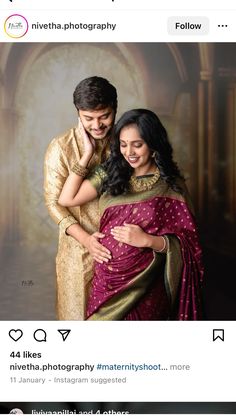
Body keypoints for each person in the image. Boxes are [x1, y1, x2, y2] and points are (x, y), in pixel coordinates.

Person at [59, 109, 204, 320]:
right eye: (123, 144)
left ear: (153, 144)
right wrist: (87, 154)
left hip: (147, 288)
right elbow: (66, 199)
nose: (130, 152)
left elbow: (189, 245)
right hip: (106, 284)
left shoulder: (171, 185)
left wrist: (148, 240)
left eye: (138, 144)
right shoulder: (112, 172)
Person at [44, 76, 117, 320]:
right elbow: (54, 203)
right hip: (77, 254)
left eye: (104, 116)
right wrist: (86, 240)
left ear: (115, 108)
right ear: (78, 113)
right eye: (88, 119)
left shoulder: (125, 143)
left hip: (123, 250)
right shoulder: (60, 147)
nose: (97, 125)